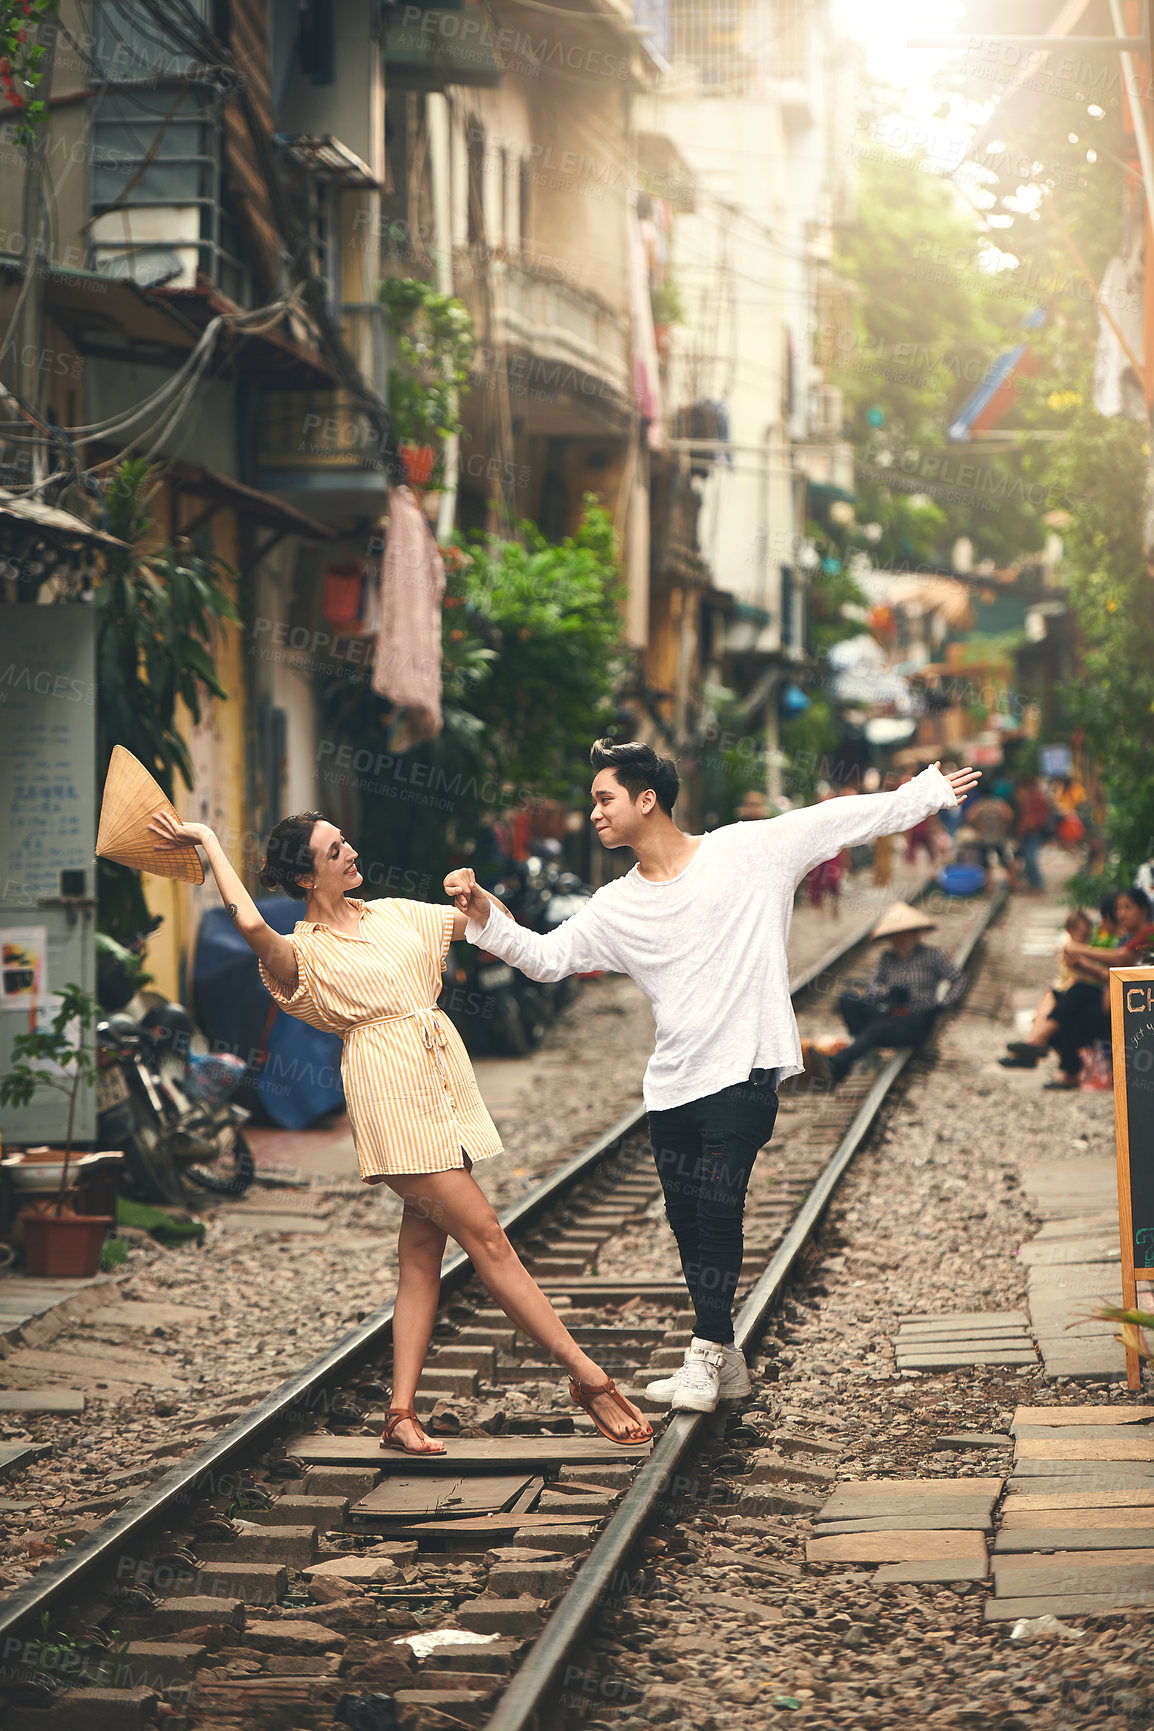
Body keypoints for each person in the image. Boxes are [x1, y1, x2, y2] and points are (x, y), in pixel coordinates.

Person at [444, 742, 979, 1414]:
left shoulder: (748, 849)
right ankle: (725, 1363)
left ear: (647, 799)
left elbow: (842, 818)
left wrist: (926, 792)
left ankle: (705, 1350)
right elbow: (547, 957)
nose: (594, 813)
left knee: (719, 1205)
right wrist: (487, 915)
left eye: (604, 798)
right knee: (687, 1220)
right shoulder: (616, 905)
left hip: (745, 1068)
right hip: (673, 1083)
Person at [147, 808, 652, 1455]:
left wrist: (475, 895)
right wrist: (211, 840)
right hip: (390, 1098)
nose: (351, 851)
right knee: (489, 1238)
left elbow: (482, 929)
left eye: (345, 839)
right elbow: (248, 921)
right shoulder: (301, 952)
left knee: (420, 1257)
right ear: (306, 875)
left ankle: (400, 1415)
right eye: (335, 850)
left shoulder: (390, 913)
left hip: (440, 1087)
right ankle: (587, 1377)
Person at [811, 902, 967, 1086]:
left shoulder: (932, 955)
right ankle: (859, 1050)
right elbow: (871, 988)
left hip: (916, 1020)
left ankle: (839, 1063)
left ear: (915, 933)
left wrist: (942, 1005)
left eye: (904, 933)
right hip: (889, 1014)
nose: (899, 938)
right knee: (848, 999)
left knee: (875, 1030)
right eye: (895, 934)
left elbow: (959, 979)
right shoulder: (887, 958)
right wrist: (888, 992)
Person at [1036, 887, 1154, 1089]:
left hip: (1136, 1008)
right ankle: (1050, 1052)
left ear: (1143, 909)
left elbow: (1122, 959)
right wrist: (1083, 966)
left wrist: (1079, 949)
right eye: (1119, 908)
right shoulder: (1128, 937)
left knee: (1076, 996)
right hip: (1120, 1002)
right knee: (1071, 1001)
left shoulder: (1148, 933)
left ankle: (1040, 1043)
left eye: (1128, 907)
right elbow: (1109, 973)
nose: (1121, 913)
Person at [998, 908, 1104, 1069]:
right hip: (1064, 989)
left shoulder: (1078, 946)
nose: (1086, 939)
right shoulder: (1069, 944)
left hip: (1073, 991)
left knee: (1055, 1004)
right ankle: (1032, 1045)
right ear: (1071, 931)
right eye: (1083, 935)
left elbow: (1091, 970)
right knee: (1049, 1002)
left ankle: (1033, 1046)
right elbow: (1083, 964)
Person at [965, 789, 1018, 888]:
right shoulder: (1000, 803)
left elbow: (970, 817)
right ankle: (1013, 884)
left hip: (985, 838)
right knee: (1006, 861)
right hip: (999, 837)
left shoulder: (979, 805)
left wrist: (978, 827)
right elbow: (1009, 814)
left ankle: (990, 886)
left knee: (986, 864)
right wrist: (1005, 826)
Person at [1014, 774, 1053, 894]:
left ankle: (1037, 886)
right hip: (1026, 834)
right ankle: (1032, 885)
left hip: (1033, 833)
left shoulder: (1038, 799)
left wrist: (1029, 824)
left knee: (1031, 860)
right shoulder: (1028, 799)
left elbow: (1039, 818)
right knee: (1027, 860)